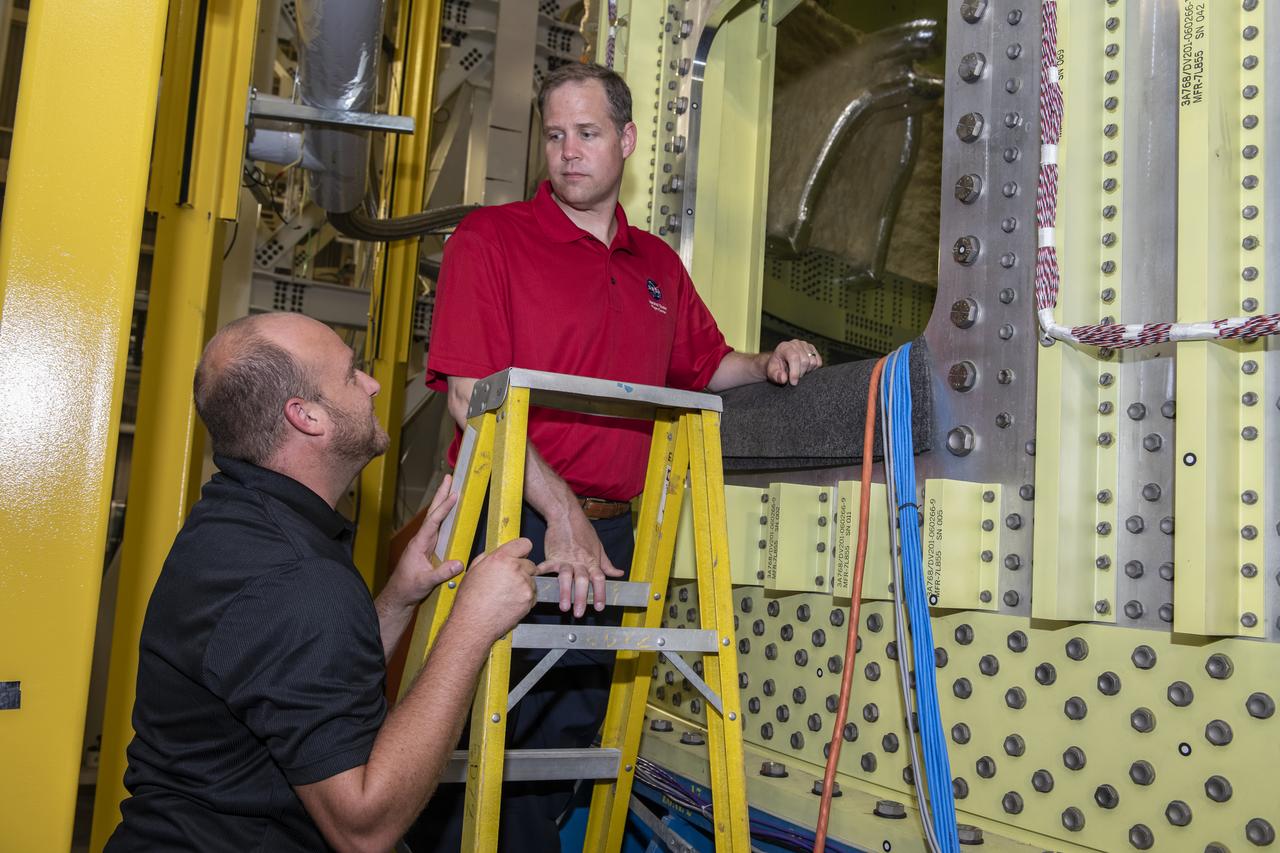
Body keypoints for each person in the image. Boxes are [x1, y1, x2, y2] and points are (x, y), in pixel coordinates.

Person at [413, 62, 822, 850]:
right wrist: (559, 512)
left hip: (611, 536)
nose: (568, 152)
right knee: (482, 747)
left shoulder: (656, 266)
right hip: (511, 525)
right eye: (556, 135)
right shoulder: (491, 239)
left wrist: (770, 361)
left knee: (564, 744)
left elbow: (703, 363)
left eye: (588, 134)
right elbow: (470, 396)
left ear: (627, 140)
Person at [105, 312, 539, 853]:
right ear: (307, 416)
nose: (374, 384)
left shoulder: (237, 521)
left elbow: (301, 682)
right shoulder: (295, 578)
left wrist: (397, 601)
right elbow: (363, 828)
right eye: (353, 374)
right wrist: (473, 624)